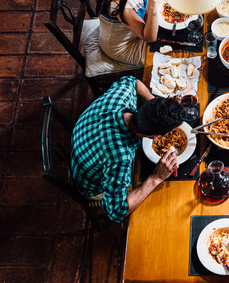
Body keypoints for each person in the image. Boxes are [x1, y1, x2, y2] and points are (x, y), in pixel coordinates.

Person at [70, 76, 186, 223]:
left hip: (84, 138)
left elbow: (132, 80)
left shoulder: (122, 96)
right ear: (157, 136)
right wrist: (156, 178)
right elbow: (116, 211)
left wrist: (155, 104)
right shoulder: (121, 157)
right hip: (88, 182)